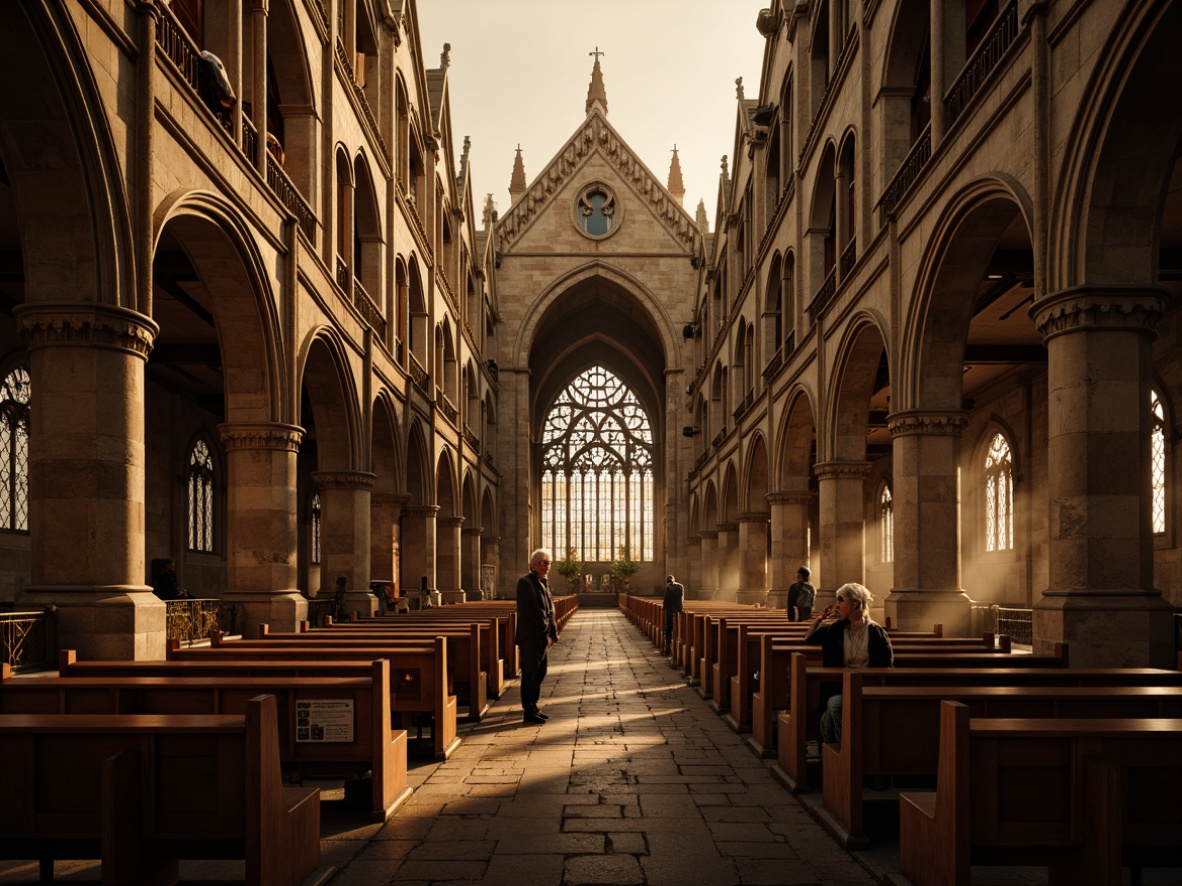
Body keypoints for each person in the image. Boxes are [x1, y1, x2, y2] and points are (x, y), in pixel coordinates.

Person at [804, 582, 893, 744]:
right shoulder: (835, 629)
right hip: (839, 686)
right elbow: (809, 639)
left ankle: (843, 749)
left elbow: (887, 663)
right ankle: (843, 747)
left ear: (855, 604)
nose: (837, 605)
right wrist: (819, 619)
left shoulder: (875, 631)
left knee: (833, 709)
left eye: (841, 600)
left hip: (868, 686)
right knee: (835, 704)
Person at [515, 548, 559, 724]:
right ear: (533, 565)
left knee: (541, 671)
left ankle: (534, 706)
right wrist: (544, 627)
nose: (547, 566)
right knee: (530, 673)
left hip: (541, 636)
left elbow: (550, 609)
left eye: (549, 563)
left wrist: (553, 630)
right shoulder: (525, 583)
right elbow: (530, 610)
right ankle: (529, 710)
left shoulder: (544, 582)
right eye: (543, 563)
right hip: (530, 636)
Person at [662, 574, 684, 653]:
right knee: (675, 627)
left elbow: (666, 600)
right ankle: (673, 644)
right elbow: (681, 598)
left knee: (668, 627)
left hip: (670, 610)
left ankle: (668, 646)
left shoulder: (669, 588)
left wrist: (664, 608)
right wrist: (680, 609)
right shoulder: (680, 586)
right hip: (678, 609)